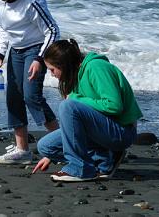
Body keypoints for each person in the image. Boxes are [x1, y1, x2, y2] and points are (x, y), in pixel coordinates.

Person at [33, 39, 143, 182]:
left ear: (64, 65)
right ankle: (104, 159)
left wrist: (76, 98)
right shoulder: (74, 76)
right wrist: (50, 156)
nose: (52, 74)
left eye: (52, 69)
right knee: (46, 147)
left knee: (68, 106)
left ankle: (80, 168)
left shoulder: (97, 67)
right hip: (100, 131)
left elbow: (114, 106)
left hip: (121, 131)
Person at [0, 0, 60, 165]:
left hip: (36, 49)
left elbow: (52, 31)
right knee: (14, 97)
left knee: (32, 97)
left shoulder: (33, 1)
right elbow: (3, 28)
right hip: (16, 51)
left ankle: (66, 141)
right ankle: (22, 150)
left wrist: (39, 59)